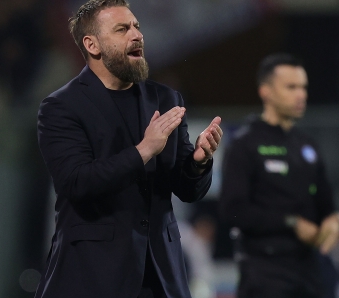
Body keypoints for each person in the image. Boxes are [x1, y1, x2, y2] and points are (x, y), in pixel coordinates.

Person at [35, 0, 223, 297]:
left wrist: (199, 162)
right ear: (92, 45)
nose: (137, 35)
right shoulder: (61, 107)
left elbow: (187, 190)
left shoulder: (166, 100)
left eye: (136, 26)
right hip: (94, 277)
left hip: (161, 276)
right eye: (122, 29)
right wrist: (143, 150)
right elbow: (77, 182)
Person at [218, 53, 339, 298]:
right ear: (265, 91)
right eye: (291, 87)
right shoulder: (245, 144)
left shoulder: (307, 146)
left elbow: (326, 204)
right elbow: (232, 210)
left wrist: (334, 220)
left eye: (303, 87)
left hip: (309, 272)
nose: (301, 95)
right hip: (264, 273)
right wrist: (291, 223)